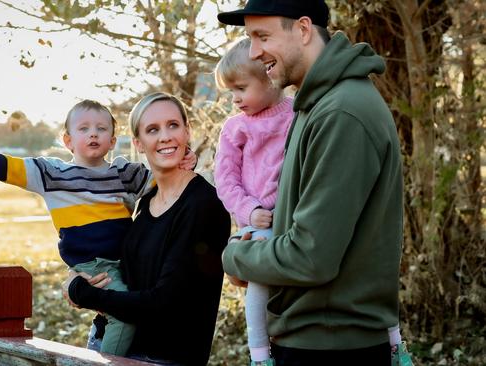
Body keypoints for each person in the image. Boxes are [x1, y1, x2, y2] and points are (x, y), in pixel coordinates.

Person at [217, 1, 410, 365]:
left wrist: (233, 256)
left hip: (331, 346)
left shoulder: (341, 113)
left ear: (303, 30)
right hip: (312, 338)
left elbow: (311, 257)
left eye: (262, 36)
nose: (254, 52)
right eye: (249, 38)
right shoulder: (313, 106)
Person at [0, 99, 196, 356]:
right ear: (68, 140)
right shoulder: (53, 175)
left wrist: (186, 158)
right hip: (95, 266)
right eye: (83, 128)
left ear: (113, 141)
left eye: (101, 128)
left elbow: (165, 179)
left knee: (135, 306)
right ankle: (109, 363)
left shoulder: (124, 172)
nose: (93, 133)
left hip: (127, 262)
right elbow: (10, 166)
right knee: (123, 316)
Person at [63, 92, 230, 365]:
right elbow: (123, 272)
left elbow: (164, 303)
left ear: (187, 132)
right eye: (153, 130)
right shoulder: (146, 201)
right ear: (139, 143)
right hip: (109, 345)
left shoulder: (204, 205)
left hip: (164, 358)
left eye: (173, 125)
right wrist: (78, 274)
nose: (165, 136)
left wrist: (81, 293)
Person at [213, 37, 294, 366]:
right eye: (230, 92)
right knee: (259, 280)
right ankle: (260, 355)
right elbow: (226, 180)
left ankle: (392, 343)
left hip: (294, 218)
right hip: (258, 222)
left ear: (269, 76)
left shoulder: (298, 114)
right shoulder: (236, 128)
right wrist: (250, 211)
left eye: (241, 89)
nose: (234, 100)